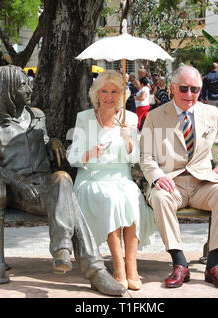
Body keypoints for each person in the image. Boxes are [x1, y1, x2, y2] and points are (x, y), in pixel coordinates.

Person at [0, 65, 126, 296]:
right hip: (20, 193)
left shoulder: (37, 116)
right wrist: (19, 181)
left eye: (28, 83)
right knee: (70, 200)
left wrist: (55, 143)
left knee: (62, 178)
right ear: (7, 90)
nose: (29, 88)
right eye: (22, 85)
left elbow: (46, 143)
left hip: (49, 186)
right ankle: (94, 270)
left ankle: (63, 251)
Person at [140, 65, 218, 289]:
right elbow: (146, 157)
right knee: (159, 198)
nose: (190, 95)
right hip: (171, 184)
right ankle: (179, 263)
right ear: (172, 88)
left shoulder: (211, 113)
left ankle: (214, 265)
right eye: (184, 88)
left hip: (203, 183)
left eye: (195, 89)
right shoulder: (155, 116)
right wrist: (157, 177)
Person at [67, 70, 155, 291]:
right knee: (112, 199)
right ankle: (118, 267)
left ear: (121, 95)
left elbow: (134, 159)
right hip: (92, 178)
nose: (109, 96)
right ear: (97, 94)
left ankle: (131, 267)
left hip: (121, 176)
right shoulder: (85, 117)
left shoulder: (130, 118)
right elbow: (72, 157)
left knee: (132, 198)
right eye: (104, 91)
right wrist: (89, 153)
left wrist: (129, 141)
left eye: (114, 91)